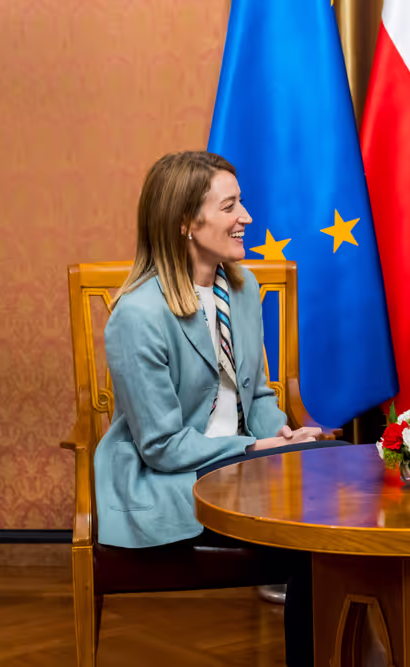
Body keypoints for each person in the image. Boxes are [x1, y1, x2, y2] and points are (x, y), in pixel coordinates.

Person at [94, 151, 335, 665]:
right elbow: (160, 447)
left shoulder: (241, 291)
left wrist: (285, 436)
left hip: (248, 469)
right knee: (319, 547)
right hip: (176, 480)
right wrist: (256, 448)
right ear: (186, 221)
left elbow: (260, 398)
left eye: (240, 203)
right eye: (230, 206)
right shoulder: (137, 316)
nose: (246, 217)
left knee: (343, 504)